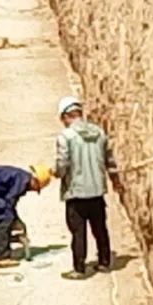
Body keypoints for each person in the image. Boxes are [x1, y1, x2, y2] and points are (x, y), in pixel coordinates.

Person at [55, 95, 122, 280]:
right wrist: (116, 181)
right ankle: (104, 262)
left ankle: (79, 268)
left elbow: (62, 163)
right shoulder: (99, 133)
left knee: (78, 232)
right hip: (97, 191)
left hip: (76, 192)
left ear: (65, 116)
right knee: (100, 228)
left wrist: (56, 173)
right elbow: (110, 161)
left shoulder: (65, 137)